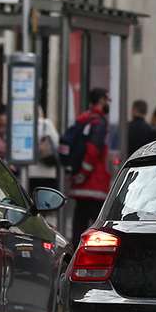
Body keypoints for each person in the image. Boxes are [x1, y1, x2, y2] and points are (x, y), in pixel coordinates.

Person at [60, 88, 111, 245]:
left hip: (80, 182)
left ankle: (76, 251)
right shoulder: (99, 122)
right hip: (94, 182)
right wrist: (84, 172)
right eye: (107, 100)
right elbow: (93, 150)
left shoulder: (83, 119)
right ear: (101, 100)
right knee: (98, 225)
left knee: (79, 223)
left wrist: (77, 175)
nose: (108, 103)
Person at [29, 106, 61, 186]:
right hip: (48, 172)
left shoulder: (23, 125)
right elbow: (56, 143)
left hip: (29, 173)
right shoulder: (46, 124)